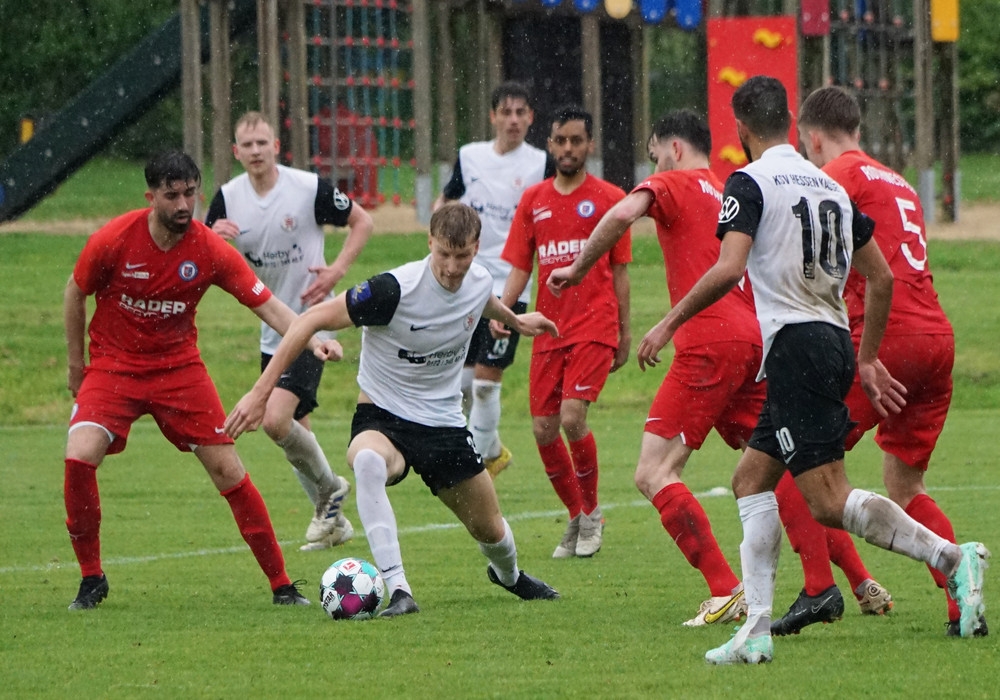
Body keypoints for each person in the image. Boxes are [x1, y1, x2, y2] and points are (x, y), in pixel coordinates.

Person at [643, 76, 987, 664]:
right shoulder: (829, 184)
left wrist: (669, 322)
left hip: (796, 349)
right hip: (828, 342)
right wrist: (867, 357)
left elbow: (729, 268)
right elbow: (881, 276)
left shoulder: (748, 181)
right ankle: (755, 632)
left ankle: (951, 558)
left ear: (742, 128)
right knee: (750, 480)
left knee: (828, 499)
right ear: (787, 122)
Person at [224, 202, 561, 617]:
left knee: (490, 530)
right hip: (382, 417)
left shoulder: (478, 279)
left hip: (443, 424)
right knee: (367, 462)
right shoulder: (391, 290)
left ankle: (509, 576)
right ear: (429, 242)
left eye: (462, 256)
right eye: (443, 254)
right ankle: (399, 590)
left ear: (476, 249)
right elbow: (309, 320)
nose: (451, 267)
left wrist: (515, 321)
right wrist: (260, 393)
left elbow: (479, 299)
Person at [63, 151, 326, 610]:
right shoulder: (114, 239)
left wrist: (311, 337)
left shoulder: (209, 249)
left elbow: (267, 305)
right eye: (172, 195)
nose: (184, 204)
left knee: (228, 470)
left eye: (190, 193)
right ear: (151, 197)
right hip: (113, 367)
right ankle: (91, 578)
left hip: (178, 371)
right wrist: (75, 366)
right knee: (79, 456)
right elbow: (75, 291)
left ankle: (282, 585)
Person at [769, 85, 981, 638]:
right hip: (936, 337)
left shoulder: (837, 175)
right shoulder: (898, 181)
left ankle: (819, 589)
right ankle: (961, 594)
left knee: (799, 466)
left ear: (813, 138)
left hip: (887, 339)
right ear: (857, 130)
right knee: (904, 484)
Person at [549, 109, 762, 625]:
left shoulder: (672, 182)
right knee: (776, 467)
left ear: (674, 149)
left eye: (655, 154)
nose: (654, 164)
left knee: (654, 472)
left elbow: (622, 214)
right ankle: (850, 579)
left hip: (709, 342)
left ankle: (725, 588)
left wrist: (577, 268)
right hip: (753, 340)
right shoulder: (728, 191)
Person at [205, 111, 374, 551]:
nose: (256, 151)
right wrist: (211, 238)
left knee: (275, 419)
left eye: (263, 142)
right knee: (297, 435)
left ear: (276, 146)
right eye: (247, 145)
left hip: (312, 321)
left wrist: (337, 269)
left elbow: (363, 222)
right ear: (235, 151)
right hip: (272, 329)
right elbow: (199, 257)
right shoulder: (227, 199)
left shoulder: (308, 188)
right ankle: (333, 523)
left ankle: (331, 491)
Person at [494, 105, 631, 559]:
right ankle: (576, 515)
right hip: (547, 328)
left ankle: (592, 513)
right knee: (542, 428)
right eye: (561, 140)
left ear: (590, 144)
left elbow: (620, 271)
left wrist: (625, 332)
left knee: (572, 418)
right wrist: (504, 310)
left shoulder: (611, 198)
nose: (568, 148)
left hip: (594, 324)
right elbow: (521, 265)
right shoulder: (533, 200)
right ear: (550, 144)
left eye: (576, 140)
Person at [433, 80, 556, 478]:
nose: (513, 120)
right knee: (463, 382)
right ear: (493, 116)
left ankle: (473, 466)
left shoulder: (541, 164)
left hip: (511, 284)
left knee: (486, 382)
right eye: (506, 112)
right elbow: (447, 200)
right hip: (466, 282)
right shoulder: (470, 157)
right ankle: (492, 451)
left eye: (521, 112)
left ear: (531, 118)